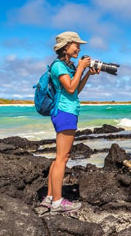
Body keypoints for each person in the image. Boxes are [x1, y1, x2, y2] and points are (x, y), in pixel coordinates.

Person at [40, 31, 100, 213]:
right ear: (66, 46)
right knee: (62, 158)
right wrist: (81, 67)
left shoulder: (67, 67)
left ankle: (49, 197)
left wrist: (87, 74)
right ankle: (58, 202)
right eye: (76, 45)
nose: (79, 48)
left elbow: (75, 91)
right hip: (64, 113)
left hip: (68, 112)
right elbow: (70, 86)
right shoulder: (58, 66)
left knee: (59, 158)